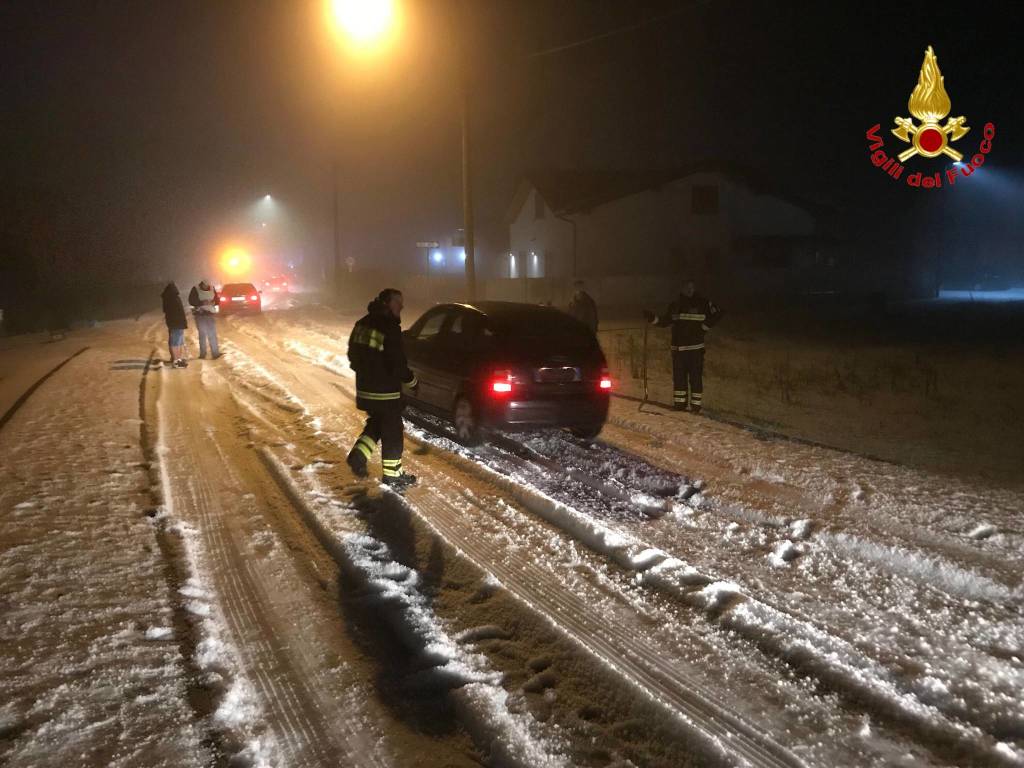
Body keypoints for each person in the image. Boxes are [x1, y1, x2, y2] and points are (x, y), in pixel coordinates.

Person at [346, 288, 419, 490]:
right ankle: (393, 475)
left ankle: (358, 455)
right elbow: (398, 363)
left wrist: (366, 372)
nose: (402, 306)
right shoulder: (389, 327)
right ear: (387, 303)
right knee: (393, 430)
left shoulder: (362, 323)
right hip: (386, 392)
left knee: (377, 423)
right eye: (398, 302)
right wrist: (412, 381)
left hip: (365, 389)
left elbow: (352, 355)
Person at [644, 279, 722, 413]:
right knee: (679, 378)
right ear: (681, 289)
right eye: (687, 287)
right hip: (678, 350)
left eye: (691, 287)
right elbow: (665, 321)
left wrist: (704, 327)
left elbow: (719, 313)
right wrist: (652, 318)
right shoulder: (675, 305)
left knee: (695, 378)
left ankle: (696, 406)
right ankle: (680, 404)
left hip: (694, 349)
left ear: (695, 288)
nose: (689, 289)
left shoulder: (703, 303)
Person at [188, 279, 220, 359]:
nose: (206, 287)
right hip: (200, 314)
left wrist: (214, 302)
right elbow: (191, 301)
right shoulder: (195, 289)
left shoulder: (212, 288)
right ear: (202, 284)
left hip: (210, 314)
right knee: (202, 334)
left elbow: (217, 299)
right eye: (205, 286)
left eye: (207, 286)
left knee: (212, 334)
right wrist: (202, 303)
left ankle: (215, 353)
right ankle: (203, 354)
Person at [161, 282, 189, 368]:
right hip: (176, 323)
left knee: (178, 342)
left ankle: (177, 359)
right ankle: (176, 360)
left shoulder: (169, 298)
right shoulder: (172, 298)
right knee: (176, 342)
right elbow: (176, 312)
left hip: (176, 323)